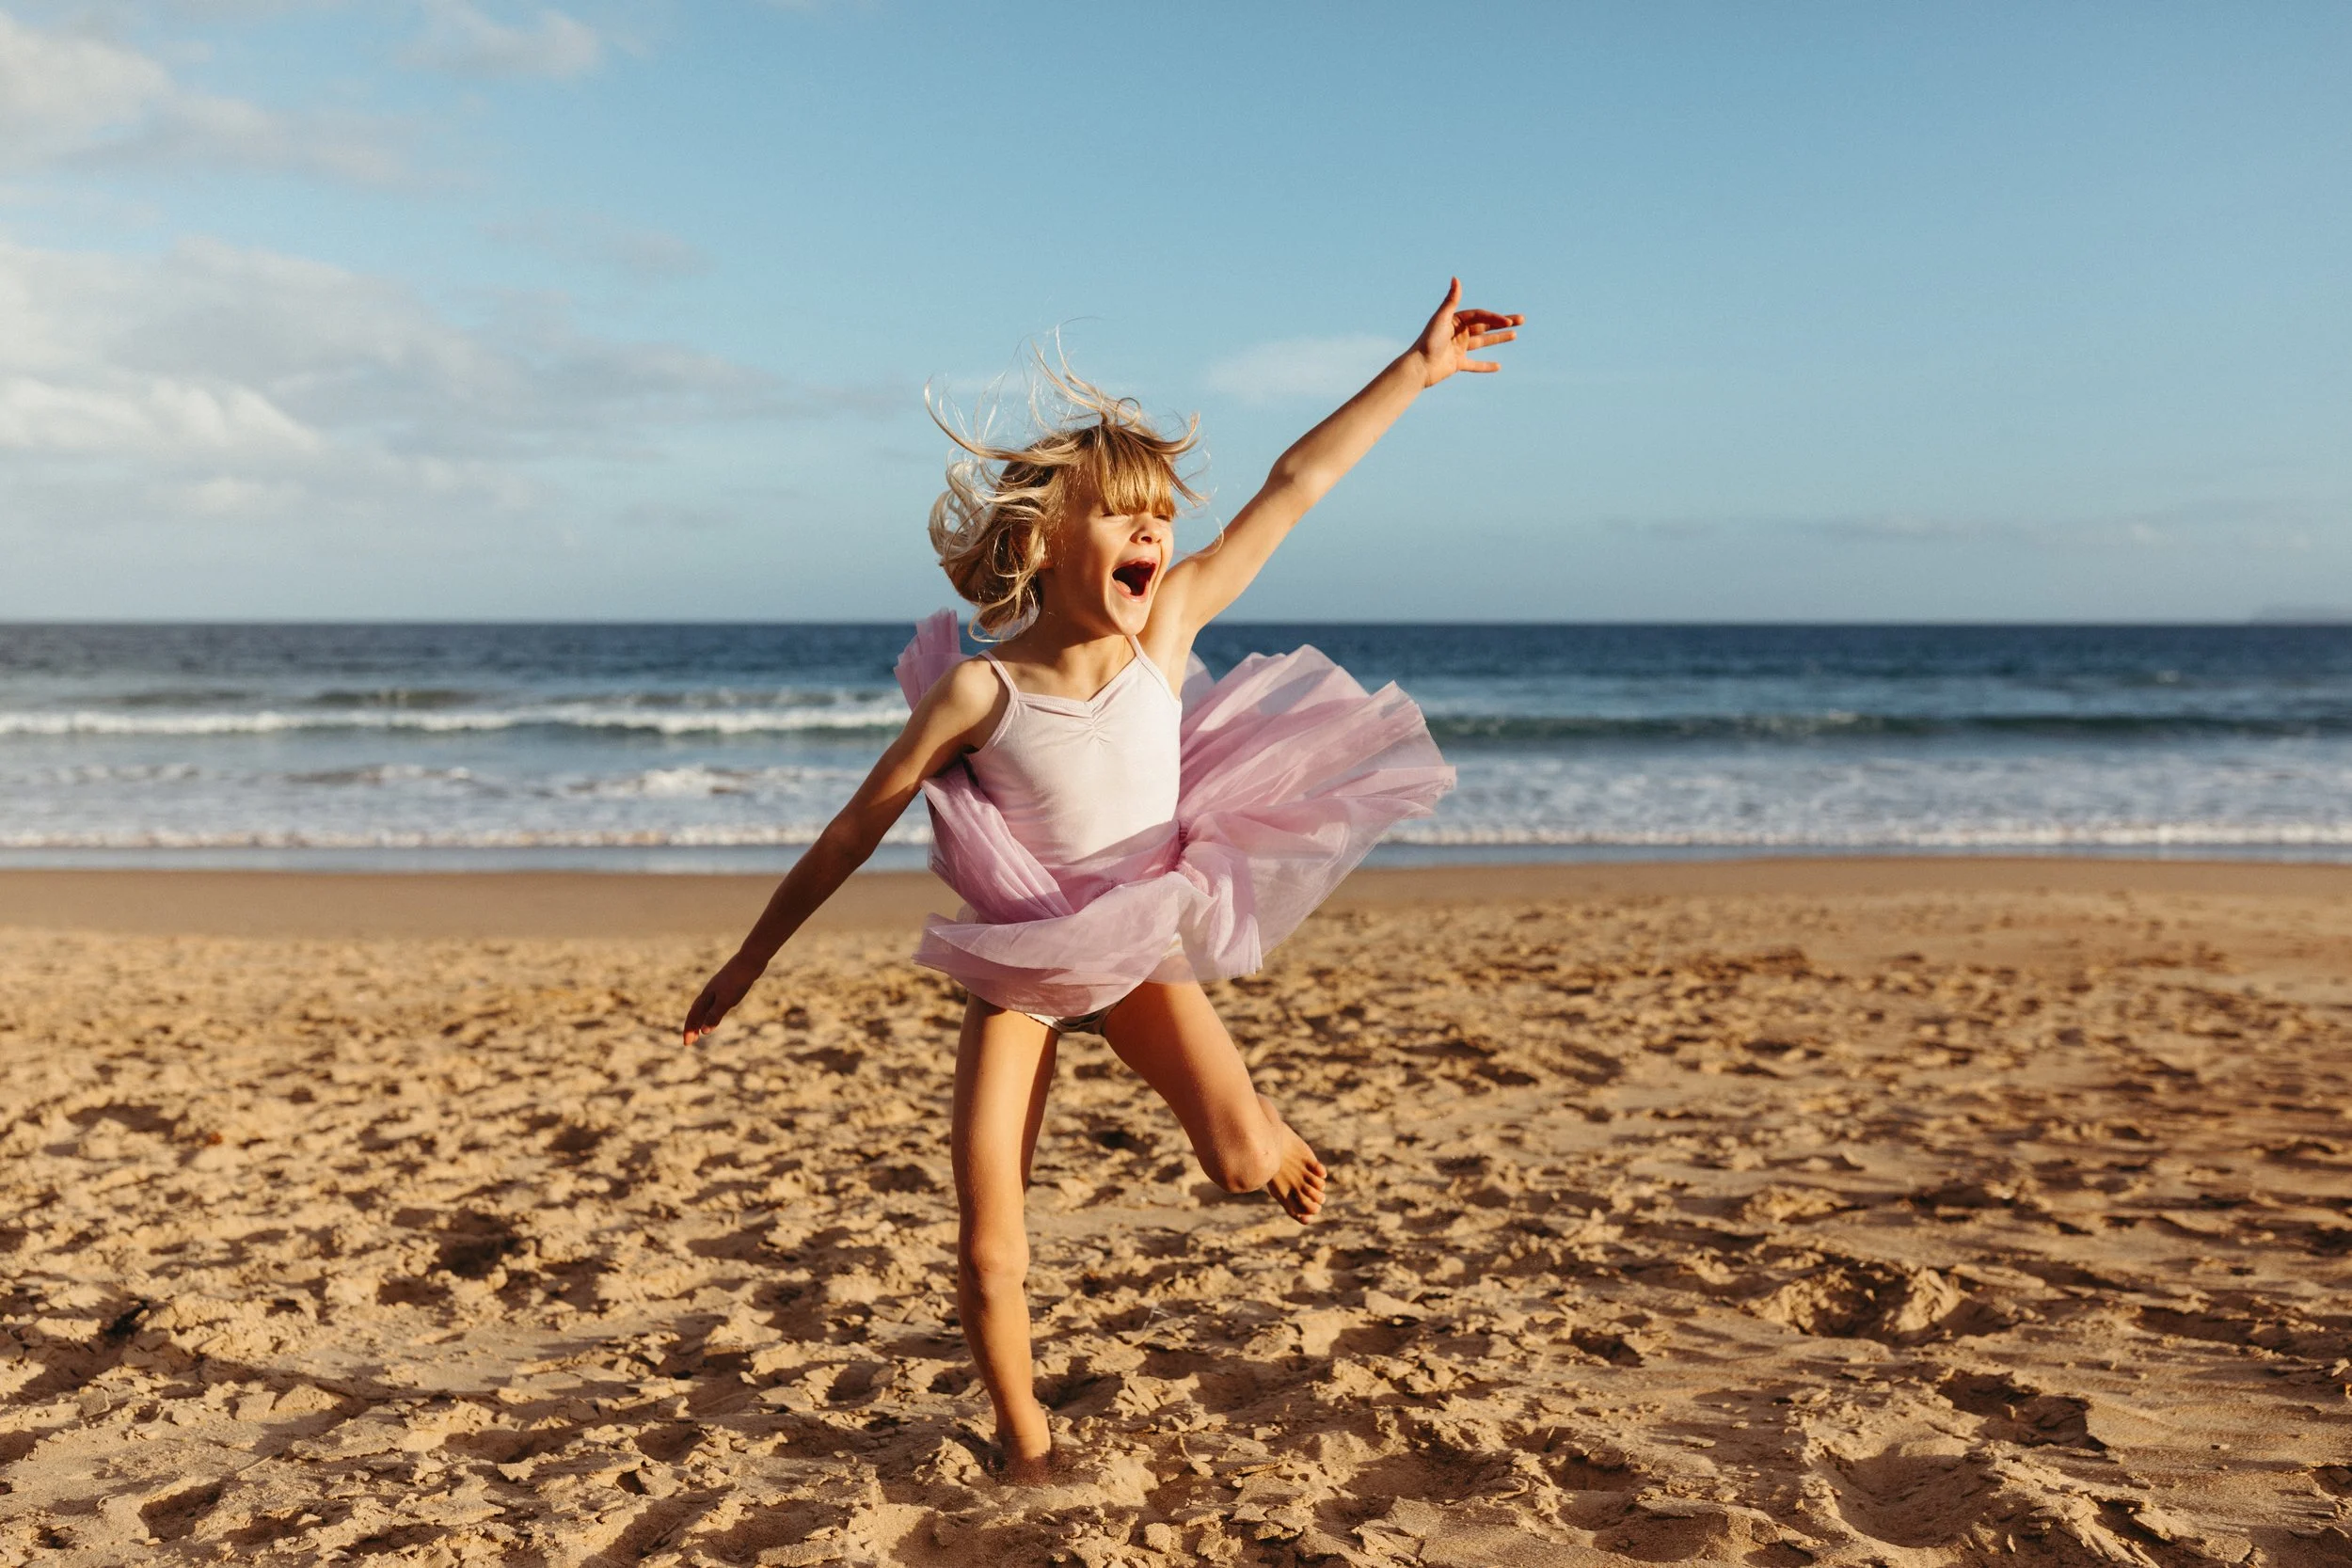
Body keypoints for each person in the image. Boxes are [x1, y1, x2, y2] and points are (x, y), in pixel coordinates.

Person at [681, 279, 1520, 1480]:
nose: (1149, 536)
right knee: (987, 1247)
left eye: (1157, 516)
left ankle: (1261, 1124)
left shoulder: (1164, 631)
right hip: (1020, 970)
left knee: (1238, 1164)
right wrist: (747, 960)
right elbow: (852, 828)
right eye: (1118, 516)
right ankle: (1026, 1447)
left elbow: (1294, 486)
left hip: (1137, 947)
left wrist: (1414, 370)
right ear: (1039, 539)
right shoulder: (981, 691)